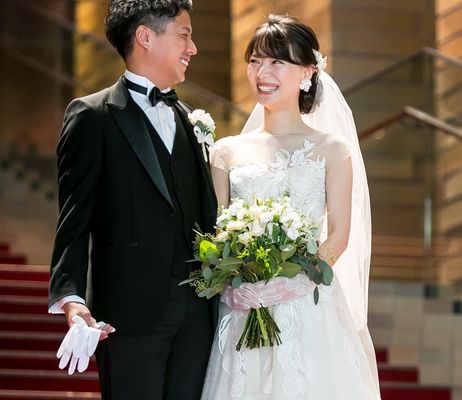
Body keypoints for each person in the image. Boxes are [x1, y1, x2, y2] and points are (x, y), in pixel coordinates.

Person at [201, 14, 380, 399]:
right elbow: (216, 234)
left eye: (277, 61)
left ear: (307, 72)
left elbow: (339, 235)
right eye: (255, 61)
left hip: (308, 305)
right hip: (244, 305)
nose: (262, 73)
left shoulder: (332, 149)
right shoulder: (225, 152)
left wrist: (296, 281)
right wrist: (231, 286)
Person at [48, 0, 218, 398]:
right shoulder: (92, 116)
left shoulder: (190, 120)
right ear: (145, 37)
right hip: (128, 317)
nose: (193, 49)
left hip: (198, 318)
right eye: (184, 36)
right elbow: (74, 220)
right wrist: (72, 299)